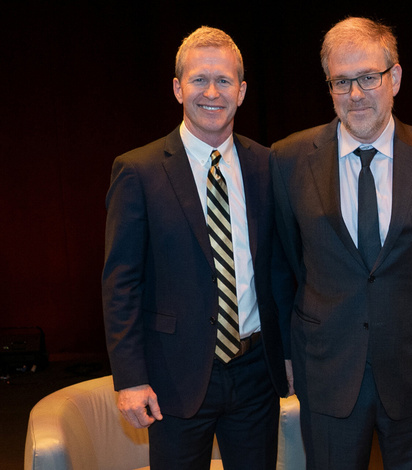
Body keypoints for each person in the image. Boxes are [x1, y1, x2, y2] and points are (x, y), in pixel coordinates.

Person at [270, 16, 412, 470]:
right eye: (342, 81)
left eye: (368, 77)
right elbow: (287, 262)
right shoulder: (287, 159)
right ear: (328, 86)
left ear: (395, 78)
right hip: (327, 370)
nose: (355, 94)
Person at [102, 26, 293, 469]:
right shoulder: (138, 171)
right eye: (198, 79)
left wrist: (285, 352)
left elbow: (279, 270)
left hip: (254, 376)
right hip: (173, 378)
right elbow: (121, 284)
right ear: (177, 87)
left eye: (224, 80)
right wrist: (130, 379)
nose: (212, 92)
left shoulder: (268, 165)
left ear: (242, 92)